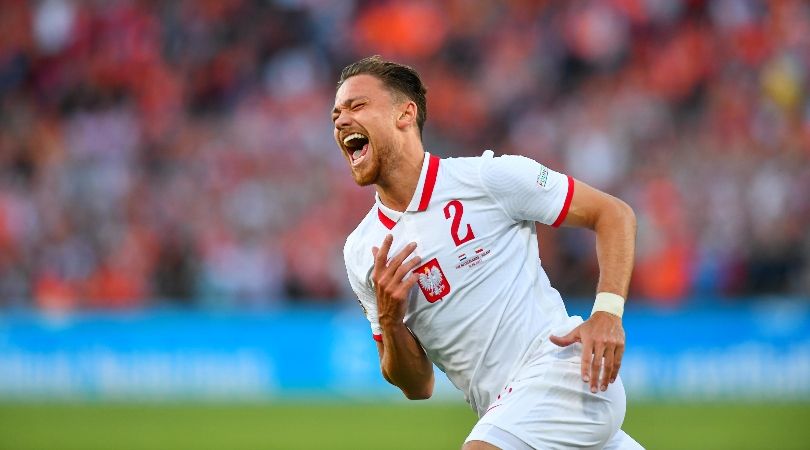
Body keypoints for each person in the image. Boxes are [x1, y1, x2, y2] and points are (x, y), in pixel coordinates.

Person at [336, 55, 643, 450]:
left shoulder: (488, 179)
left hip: (566, 373)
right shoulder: (361, 251)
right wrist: (392, 322)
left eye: (357, 106)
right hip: (511, 411)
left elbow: (614, 213)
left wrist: (607, 313)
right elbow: (418, 386)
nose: (341, 120)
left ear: (405, 114)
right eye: (336, 115)